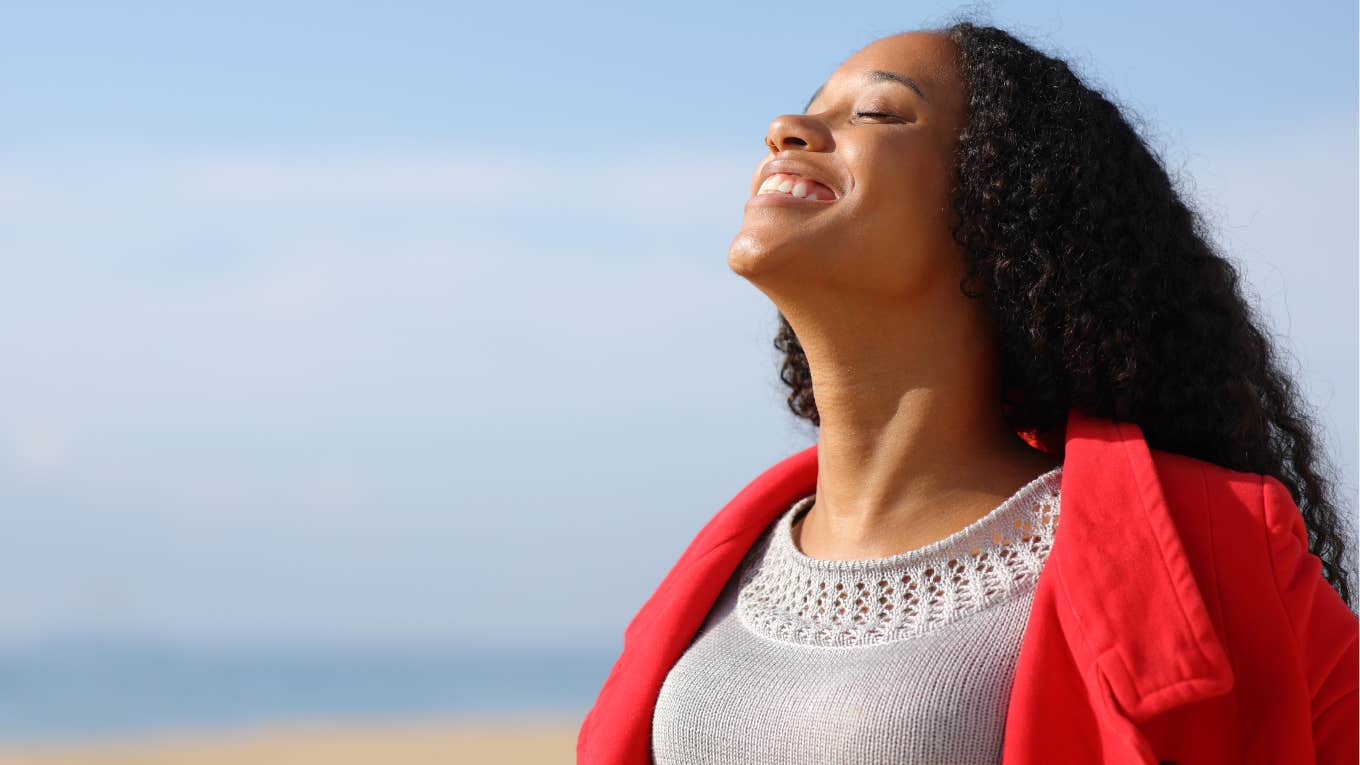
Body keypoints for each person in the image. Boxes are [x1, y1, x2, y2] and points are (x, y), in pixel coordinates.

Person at [578, 18, 1359, 765]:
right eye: (806, 109)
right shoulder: (721, 569)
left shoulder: (1221, 550)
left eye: (878, 112)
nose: (786, 127)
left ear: (1000, 207)